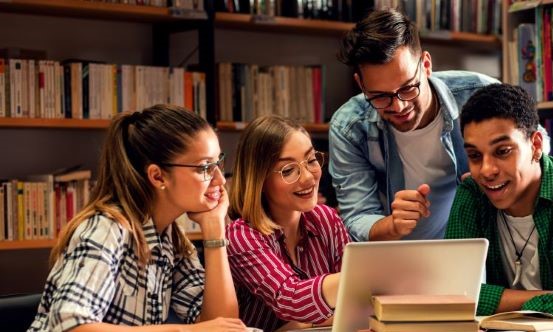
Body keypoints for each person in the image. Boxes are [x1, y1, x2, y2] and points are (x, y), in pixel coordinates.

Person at [28, 105, 248, 331]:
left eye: (218, 163)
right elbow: (71, 326)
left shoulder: (170, 237)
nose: (220, 180)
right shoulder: (106, 229)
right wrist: (187, 331)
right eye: (205, 167)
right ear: (157, 176)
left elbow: (223, 325)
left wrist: (215, 232)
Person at [329, 9, 499, 242]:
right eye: (380, 96)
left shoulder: (481, 94)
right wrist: (392, 225)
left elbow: (535, 153)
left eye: (408, 88)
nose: (398, 107)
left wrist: (496, 180)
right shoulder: (349, 127)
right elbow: (357, 217)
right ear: (360, 84)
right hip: (396, 260)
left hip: (483, 250)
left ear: (426, 65)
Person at [445, 84, 553, 324]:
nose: (486, 170)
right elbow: (451, 295)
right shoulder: (472, 194)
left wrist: (490, 299)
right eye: (474, 156)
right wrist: (550, 297)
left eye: (502, 151)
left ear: (535, 145)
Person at [227, 115, 351, 332]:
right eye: (288, 170)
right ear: (259, 180)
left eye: (311, 160)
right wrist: (360, 279)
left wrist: (307, 322)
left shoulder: (327, 219)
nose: (308, 178)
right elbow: (291, 300)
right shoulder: (240, 235)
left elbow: (354, 305)